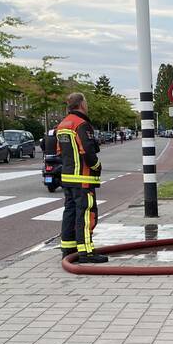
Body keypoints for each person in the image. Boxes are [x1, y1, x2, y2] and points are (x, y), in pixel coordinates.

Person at [57, 92, 107, 263]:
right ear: (81, 104)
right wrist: (97, 167)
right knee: (86, 215)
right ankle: (86, 252)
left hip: (68, 177)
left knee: (69, 213)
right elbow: (88, 151)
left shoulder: (62, 125)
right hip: (83, 178)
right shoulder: (81, 124)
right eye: (86, 101)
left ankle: (68, 249)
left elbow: (59, 151)